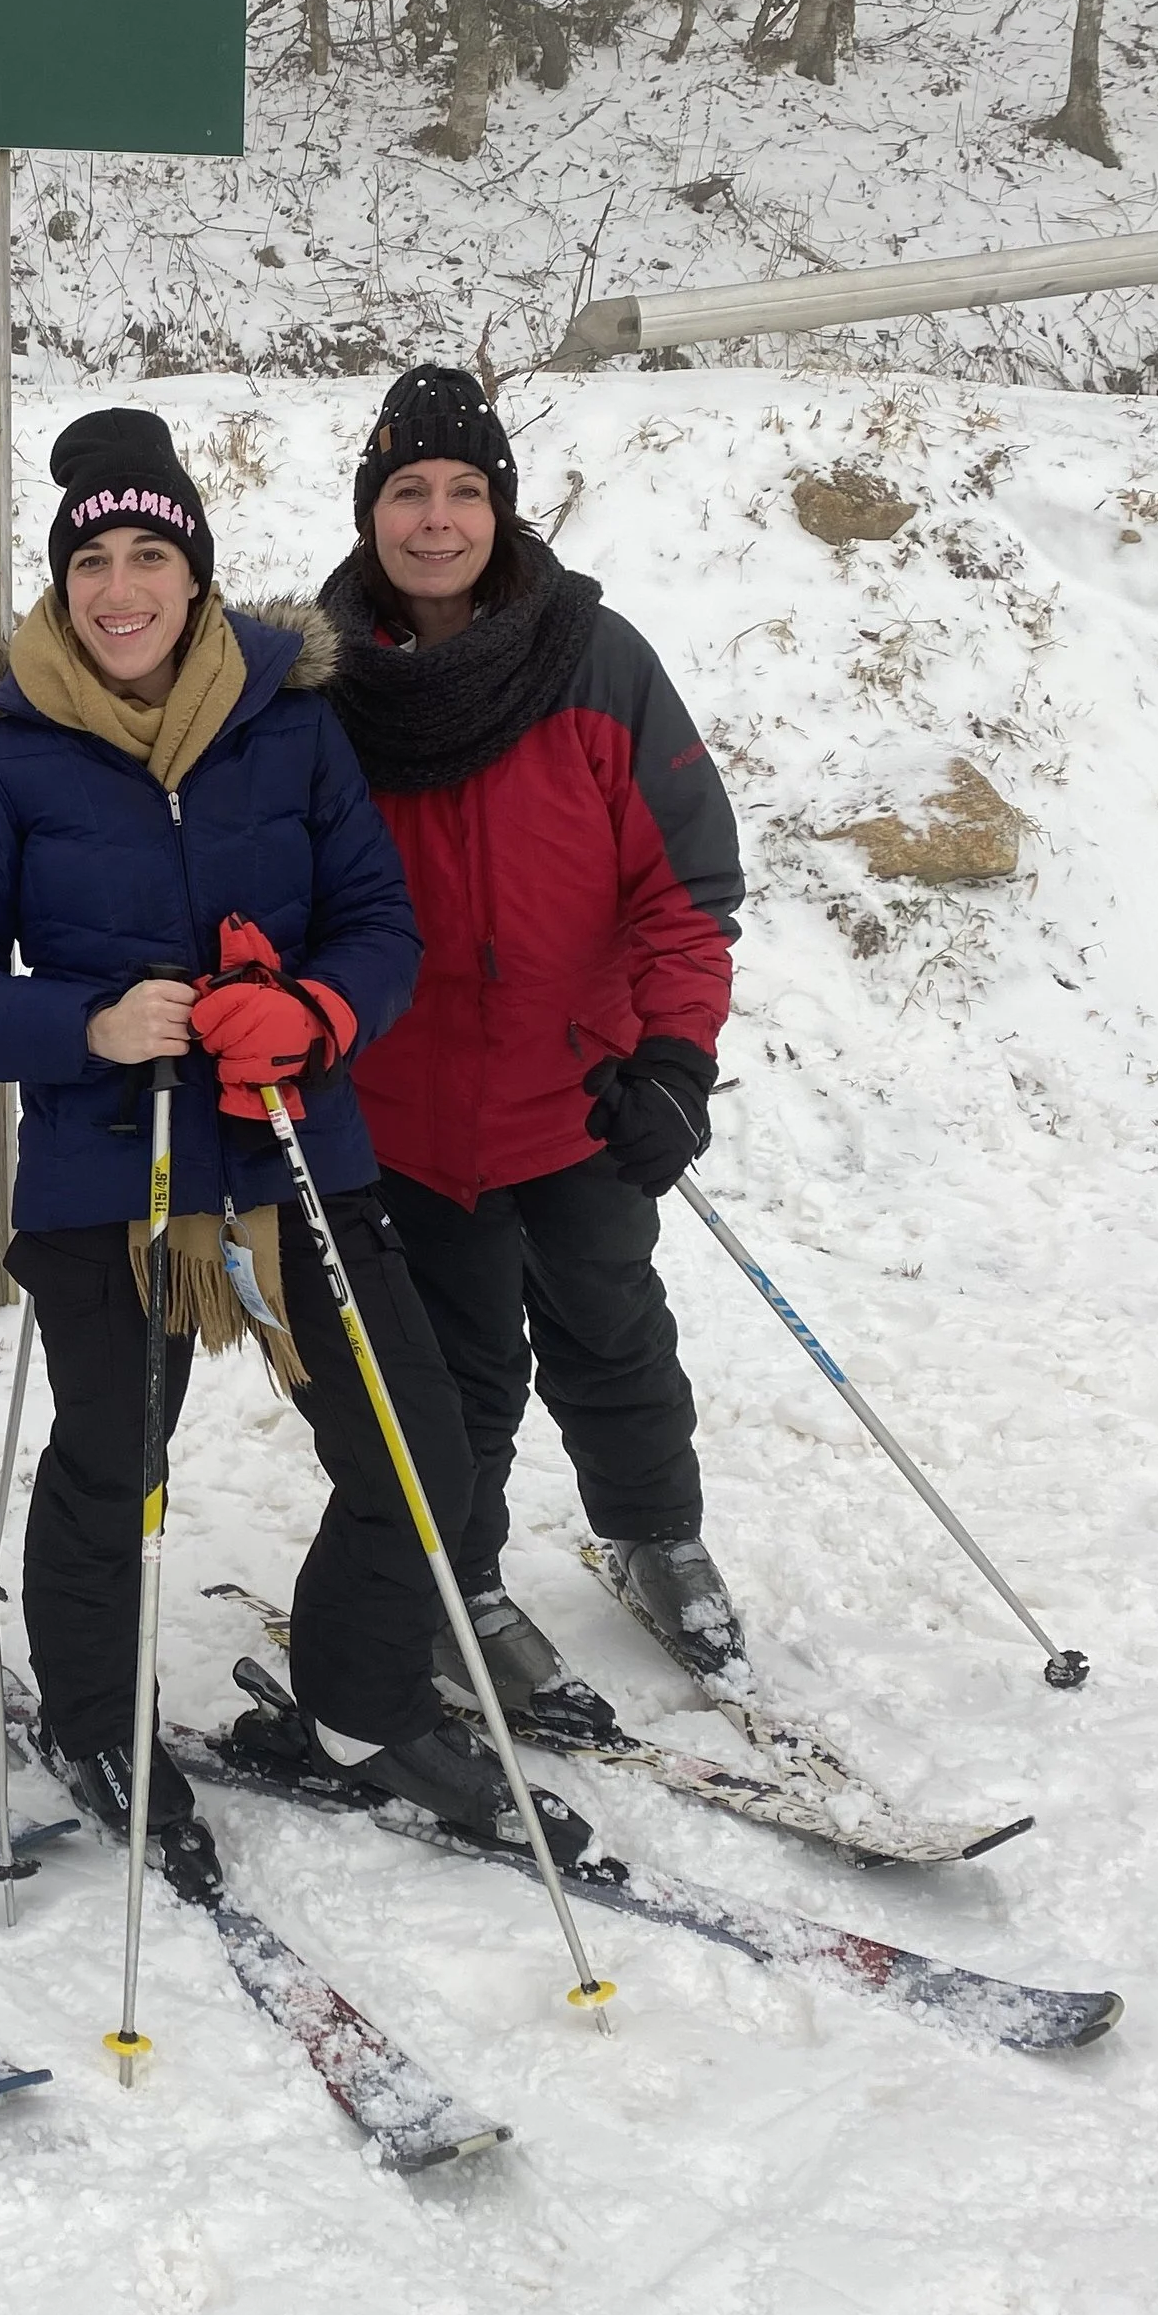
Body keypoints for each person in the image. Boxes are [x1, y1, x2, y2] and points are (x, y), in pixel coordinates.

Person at [0, 409, 593, 1893]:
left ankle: (359, 1702)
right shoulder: (9, 752)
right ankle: (93, 1719)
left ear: (197, 575)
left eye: (153, 555)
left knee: (419, 1448)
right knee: (111, 1467)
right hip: (111, 1170)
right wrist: (88, 1024)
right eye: (95, 560)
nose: (123, 588)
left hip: (290, 1154)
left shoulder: (292, 719)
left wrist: (317, 1010)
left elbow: (380, 927)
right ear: (62, 581)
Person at [319, 365, 747, 1716]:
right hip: (404, 1111)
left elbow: (686, 888)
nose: (436, 520)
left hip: (582, 1092)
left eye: (463, 491)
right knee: (456, 1380)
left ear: (500, 507)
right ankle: (466, 1585)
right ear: (371, 511)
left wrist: (674, 1060)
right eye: (407, 492)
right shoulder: (322, 686)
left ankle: (654, 1534)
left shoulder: (596, 661)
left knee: (611, 1329)